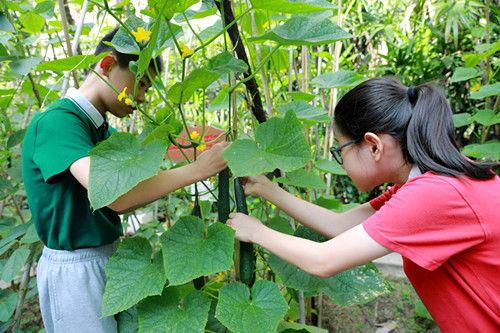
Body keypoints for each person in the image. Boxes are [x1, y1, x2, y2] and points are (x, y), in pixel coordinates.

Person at [227, 77, 499, 332]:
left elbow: (324, 260)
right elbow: (340, 225)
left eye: (340, 150)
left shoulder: (433, 195)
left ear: (373, 146)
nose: (341, 161)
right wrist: (267, 190)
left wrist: (256, 232)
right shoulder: (430, 184)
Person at [22, 27, 228, 332]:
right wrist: (197, 170)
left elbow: (149, 163)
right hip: (75, 269)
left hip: (104, 258)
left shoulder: (101, 130)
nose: (142, 98)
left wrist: (207, 142)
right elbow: (114, 195)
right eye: (141, 84)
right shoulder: (56, 123)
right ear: (106, 65)